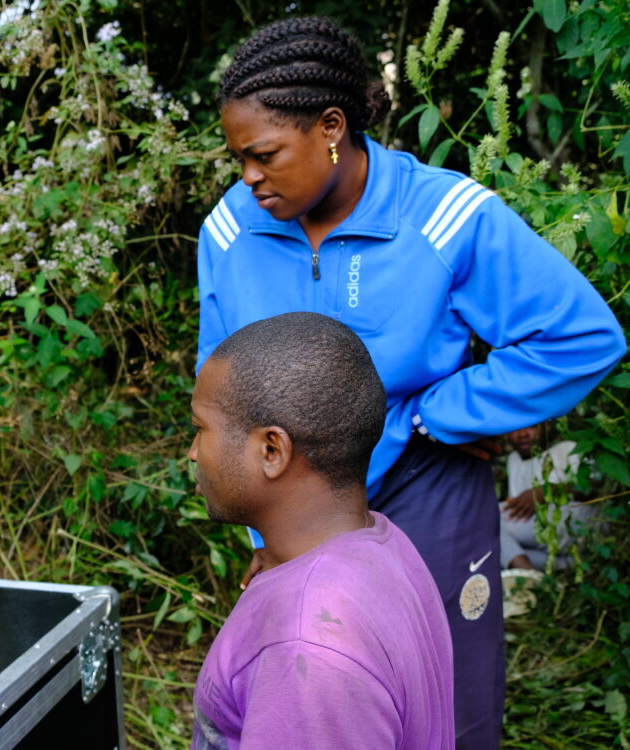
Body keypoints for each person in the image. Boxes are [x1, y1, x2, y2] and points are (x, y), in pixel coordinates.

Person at [197, 17, 625, 749]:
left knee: (445, 693)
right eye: (239, 159)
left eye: (264, 156)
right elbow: (224, 389)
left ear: (331, 128)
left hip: (424, 482)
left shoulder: (445, 217)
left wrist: (440, 414)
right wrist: (261, 530)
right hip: (290, 494)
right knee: (312, 687)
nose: (248, 178)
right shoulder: (232, 232)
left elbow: (580, 336)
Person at [189, 312, 453, 750]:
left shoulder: (307, 648)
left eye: (201, 429)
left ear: (272, 450)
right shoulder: (383, 543)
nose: (194, 453)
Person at [500, 422, 595, 571]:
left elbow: (595, 487)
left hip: (577, 526)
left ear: (547, 426)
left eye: (532, 426)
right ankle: (565, 566)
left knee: (489, 518)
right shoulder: (513, 460)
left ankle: (523, 571)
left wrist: (546, 491)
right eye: (515, 427)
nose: (523, 434)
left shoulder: (567, 448)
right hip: (541, 537)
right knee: (494, 551)